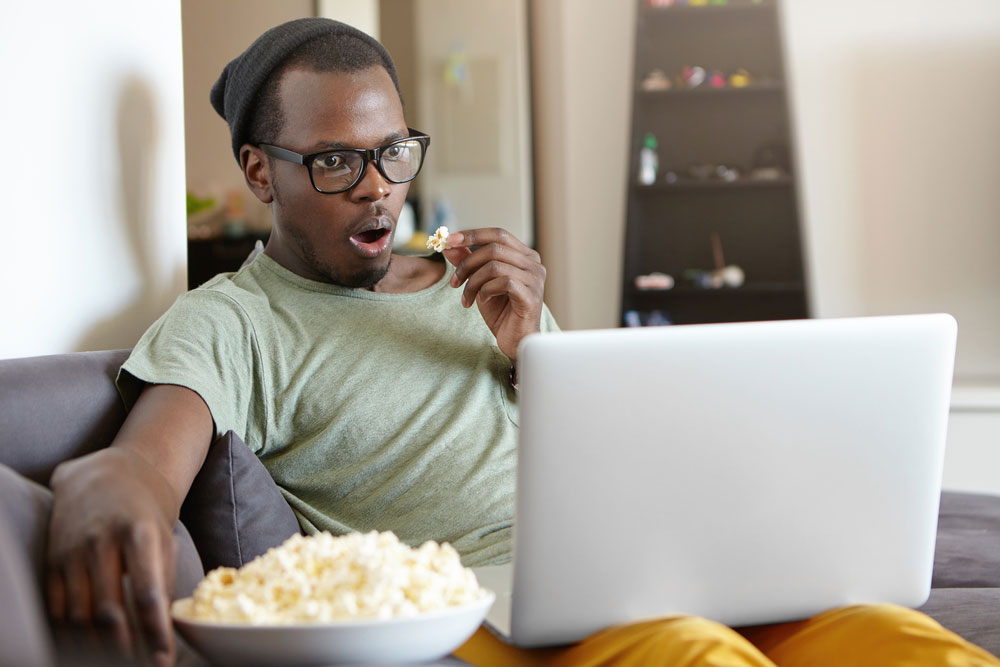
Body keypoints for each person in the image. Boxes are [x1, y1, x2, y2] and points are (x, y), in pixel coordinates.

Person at [43, 17, 999, 667]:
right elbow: (142, 463)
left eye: (395, 153)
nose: (380, 187)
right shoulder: (234, 319)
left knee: (895, 638)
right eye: (337, 161)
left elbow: (614, 455)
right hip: (492, 610)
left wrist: (526, 349)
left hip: (646, 557)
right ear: (260, 170)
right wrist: (107, 483)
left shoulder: (480, 283)